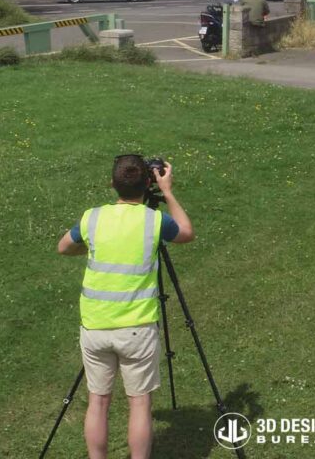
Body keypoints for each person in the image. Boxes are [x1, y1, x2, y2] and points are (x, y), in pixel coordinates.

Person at [57, 155, 194, 459]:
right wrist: (168, 192)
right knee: (140, 403)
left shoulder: (92, 218)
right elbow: (186, 233)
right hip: (137, 329)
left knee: (98, 401)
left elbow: (64, 247)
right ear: (149, 183)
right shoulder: (155, 220)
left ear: (112, 184)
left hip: (95, 327)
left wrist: (92, 246)